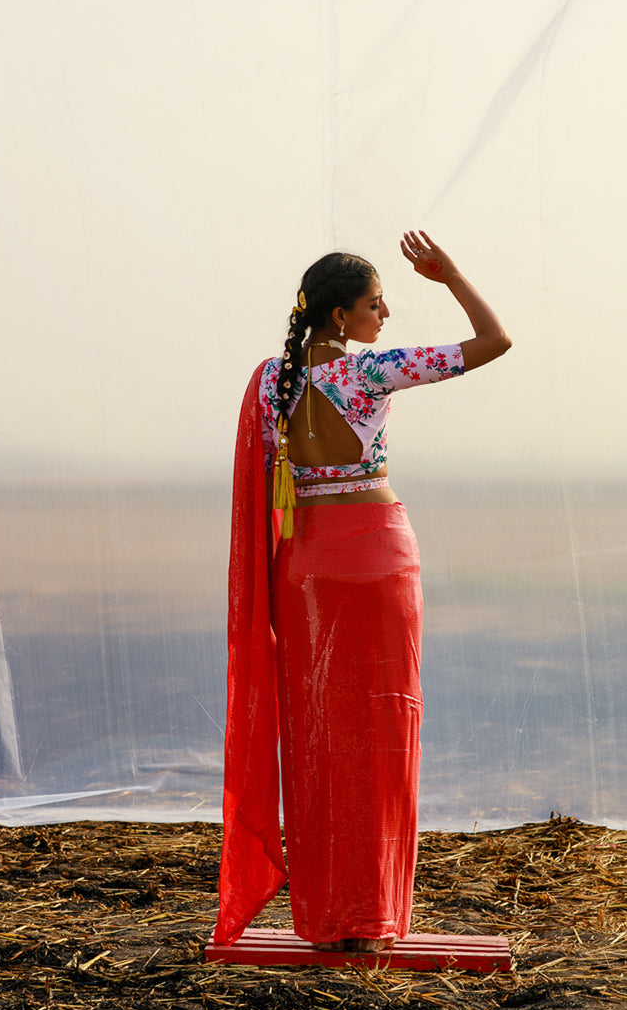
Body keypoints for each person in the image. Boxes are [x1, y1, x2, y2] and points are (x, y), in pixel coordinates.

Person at [213, 231, 511, 952]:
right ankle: (371, 916)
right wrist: (450, 276)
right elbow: (495, 341)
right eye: (377, 303)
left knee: (317, 735)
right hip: (376, 560)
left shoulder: (268, 383)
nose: (386, 315)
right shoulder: (370, 372)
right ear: (341, 316)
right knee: (379, 733)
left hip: (306, 568)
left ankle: (327, 918)